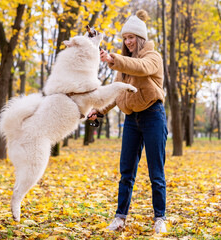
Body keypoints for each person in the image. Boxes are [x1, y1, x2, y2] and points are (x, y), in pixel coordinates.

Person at [88, 10, 168, 233]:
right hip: (132, 120)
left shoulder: (153, 58)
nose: (128, 42)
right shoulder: (123, 67)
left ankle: (160, 218)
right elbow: (116, 93)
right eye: (125, 38)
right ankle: (120, 217)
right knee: (126, 172)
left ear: (140, 38)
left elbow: (140, 68)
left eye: (131, 37)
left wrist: (114, 59)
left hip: (153, 116)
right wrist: (99, 111)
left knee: (156, 172)